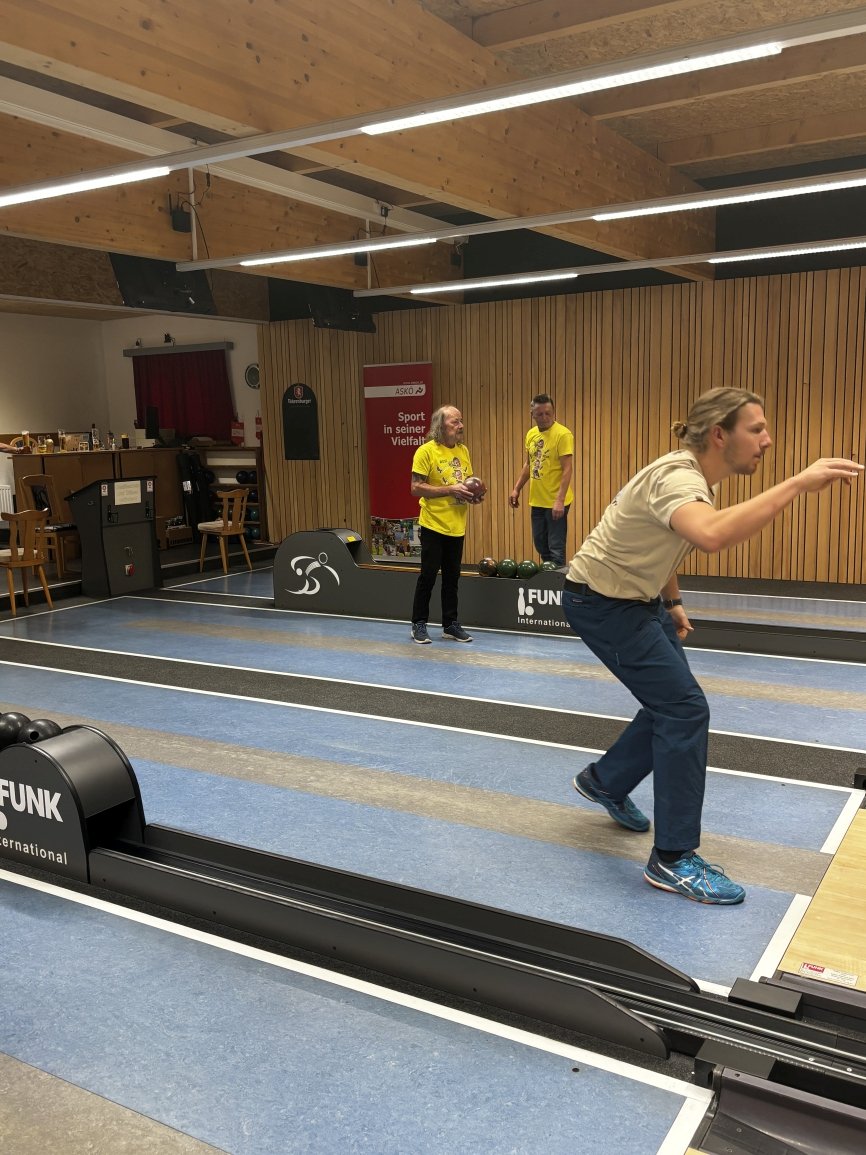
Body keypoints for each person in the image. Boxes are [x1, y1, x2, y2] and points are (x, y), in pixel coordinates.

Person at [562, 387, 862, 905]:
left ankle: (605, 782)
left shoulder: (697, 480)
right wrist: (797, 483)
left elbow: (663, 542)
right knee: (683, 709)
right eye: (757, 429)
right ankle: (672, 858)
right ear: (720, 434)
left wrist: (672, 602)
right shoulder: (679, 479)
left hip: (638, 600)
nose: (767, 440)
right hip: (603, 604)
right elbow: (711, 536)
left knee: (670, 702)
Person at [409, 405, 480, 645]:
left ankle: (450, 624)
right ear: (441, 426)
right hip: (433, 524)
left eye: (461, 421)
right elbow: (415, 487)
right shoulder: (425, 451)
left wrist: (473, 495)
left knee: (452, 578)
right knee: (428, 576)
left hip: (457, 525)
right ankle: (418, 623)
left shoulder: (463, 450)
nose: (461, 426)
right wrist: (450, 489)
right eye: (455, 422)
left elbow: (465, 484)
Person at [509, 394, 574, 567]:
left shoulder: (563, 434)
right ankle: (548, 576)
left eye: (548, 413)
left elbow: (567, 469)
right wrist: (516, 489)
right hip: (537, 500)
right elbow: (529, 464)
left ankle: (556, 580)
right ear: (532, 414)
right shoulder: (531, 434)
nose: (544, 417)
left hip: (555, 501)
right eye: (540, 414)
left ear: (553, 412)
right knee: (540, 544)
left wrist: (560, 500)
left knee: (556, 548)